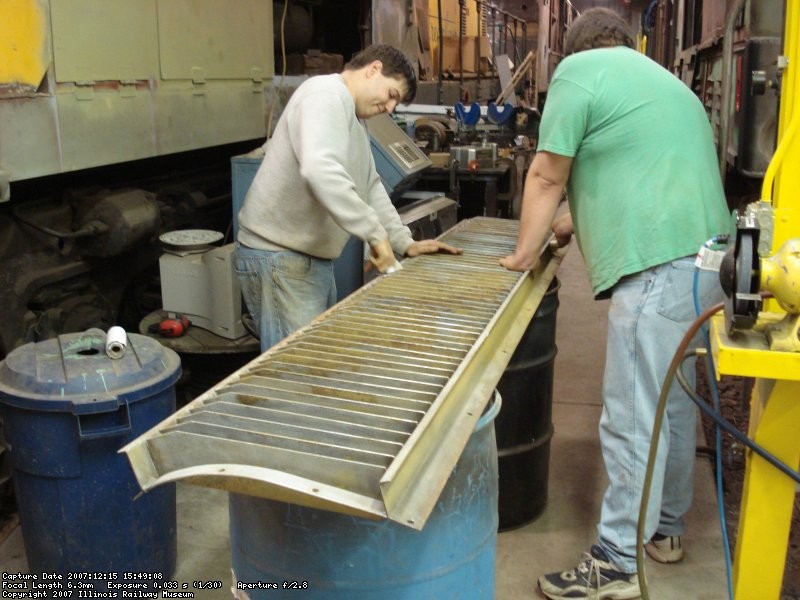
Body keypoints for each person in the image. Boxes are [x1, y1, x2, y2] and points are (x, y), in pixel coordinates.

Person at [500, 8, 730, 600]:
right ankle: (666, 530)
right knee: (672, 401)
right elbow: (642, 170)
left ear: (572, 50)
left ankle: (616, 561)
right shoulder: (662, 83)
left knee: (629, 413)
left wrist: (522, 254)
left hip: (656, 264)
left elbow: (547, 176)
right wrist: (574, 224)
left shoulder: (578, 72)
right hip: (709, 262)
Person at [235, 44, 461, 351]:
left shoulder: (355, 118)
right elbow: (320, 168)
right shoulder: (325, 95)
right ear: (374, 69)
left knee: (315, 361)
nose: (390, 108)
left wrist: (401, 241)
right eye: (392, 95)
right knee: (299, 372)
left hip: (304, 259)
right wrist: (373, 233)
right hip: (280, 257)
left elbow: (369, 186)